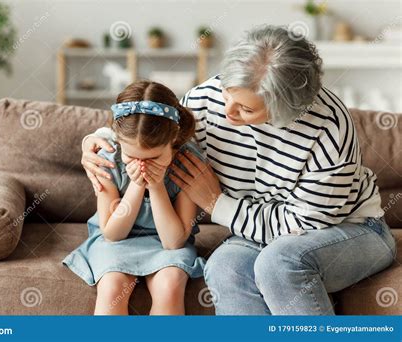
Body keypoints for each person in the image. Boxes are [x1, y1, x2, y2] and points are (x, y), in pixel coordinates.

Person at [80, 25, 396, 315]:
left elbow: (301, 227)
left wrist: (218, 204)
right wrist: (97, 140)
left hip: (348, 230)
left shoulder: (329, 128)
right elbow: (155, 127)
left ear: (284, 111)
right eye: (227, 92)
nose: (227, 111)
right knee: (224, 267)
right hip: (257, 234)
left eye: (245, 109)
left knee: (279, 263)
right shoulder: (209, 99)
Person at [62, 80, 206, 315]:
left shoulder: (187, 164)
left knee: (170, 285)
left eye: (154, 158)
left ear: (173, 141)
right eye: (131, 156)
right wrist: (136, 186)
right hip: (117, 243)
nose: (142, 165)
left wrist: (157, 186)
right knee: (112, 286)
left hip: (166, 246)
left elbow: (173, 242)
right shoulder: (108, 159)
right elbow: (112, 234)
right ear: (119, 142)